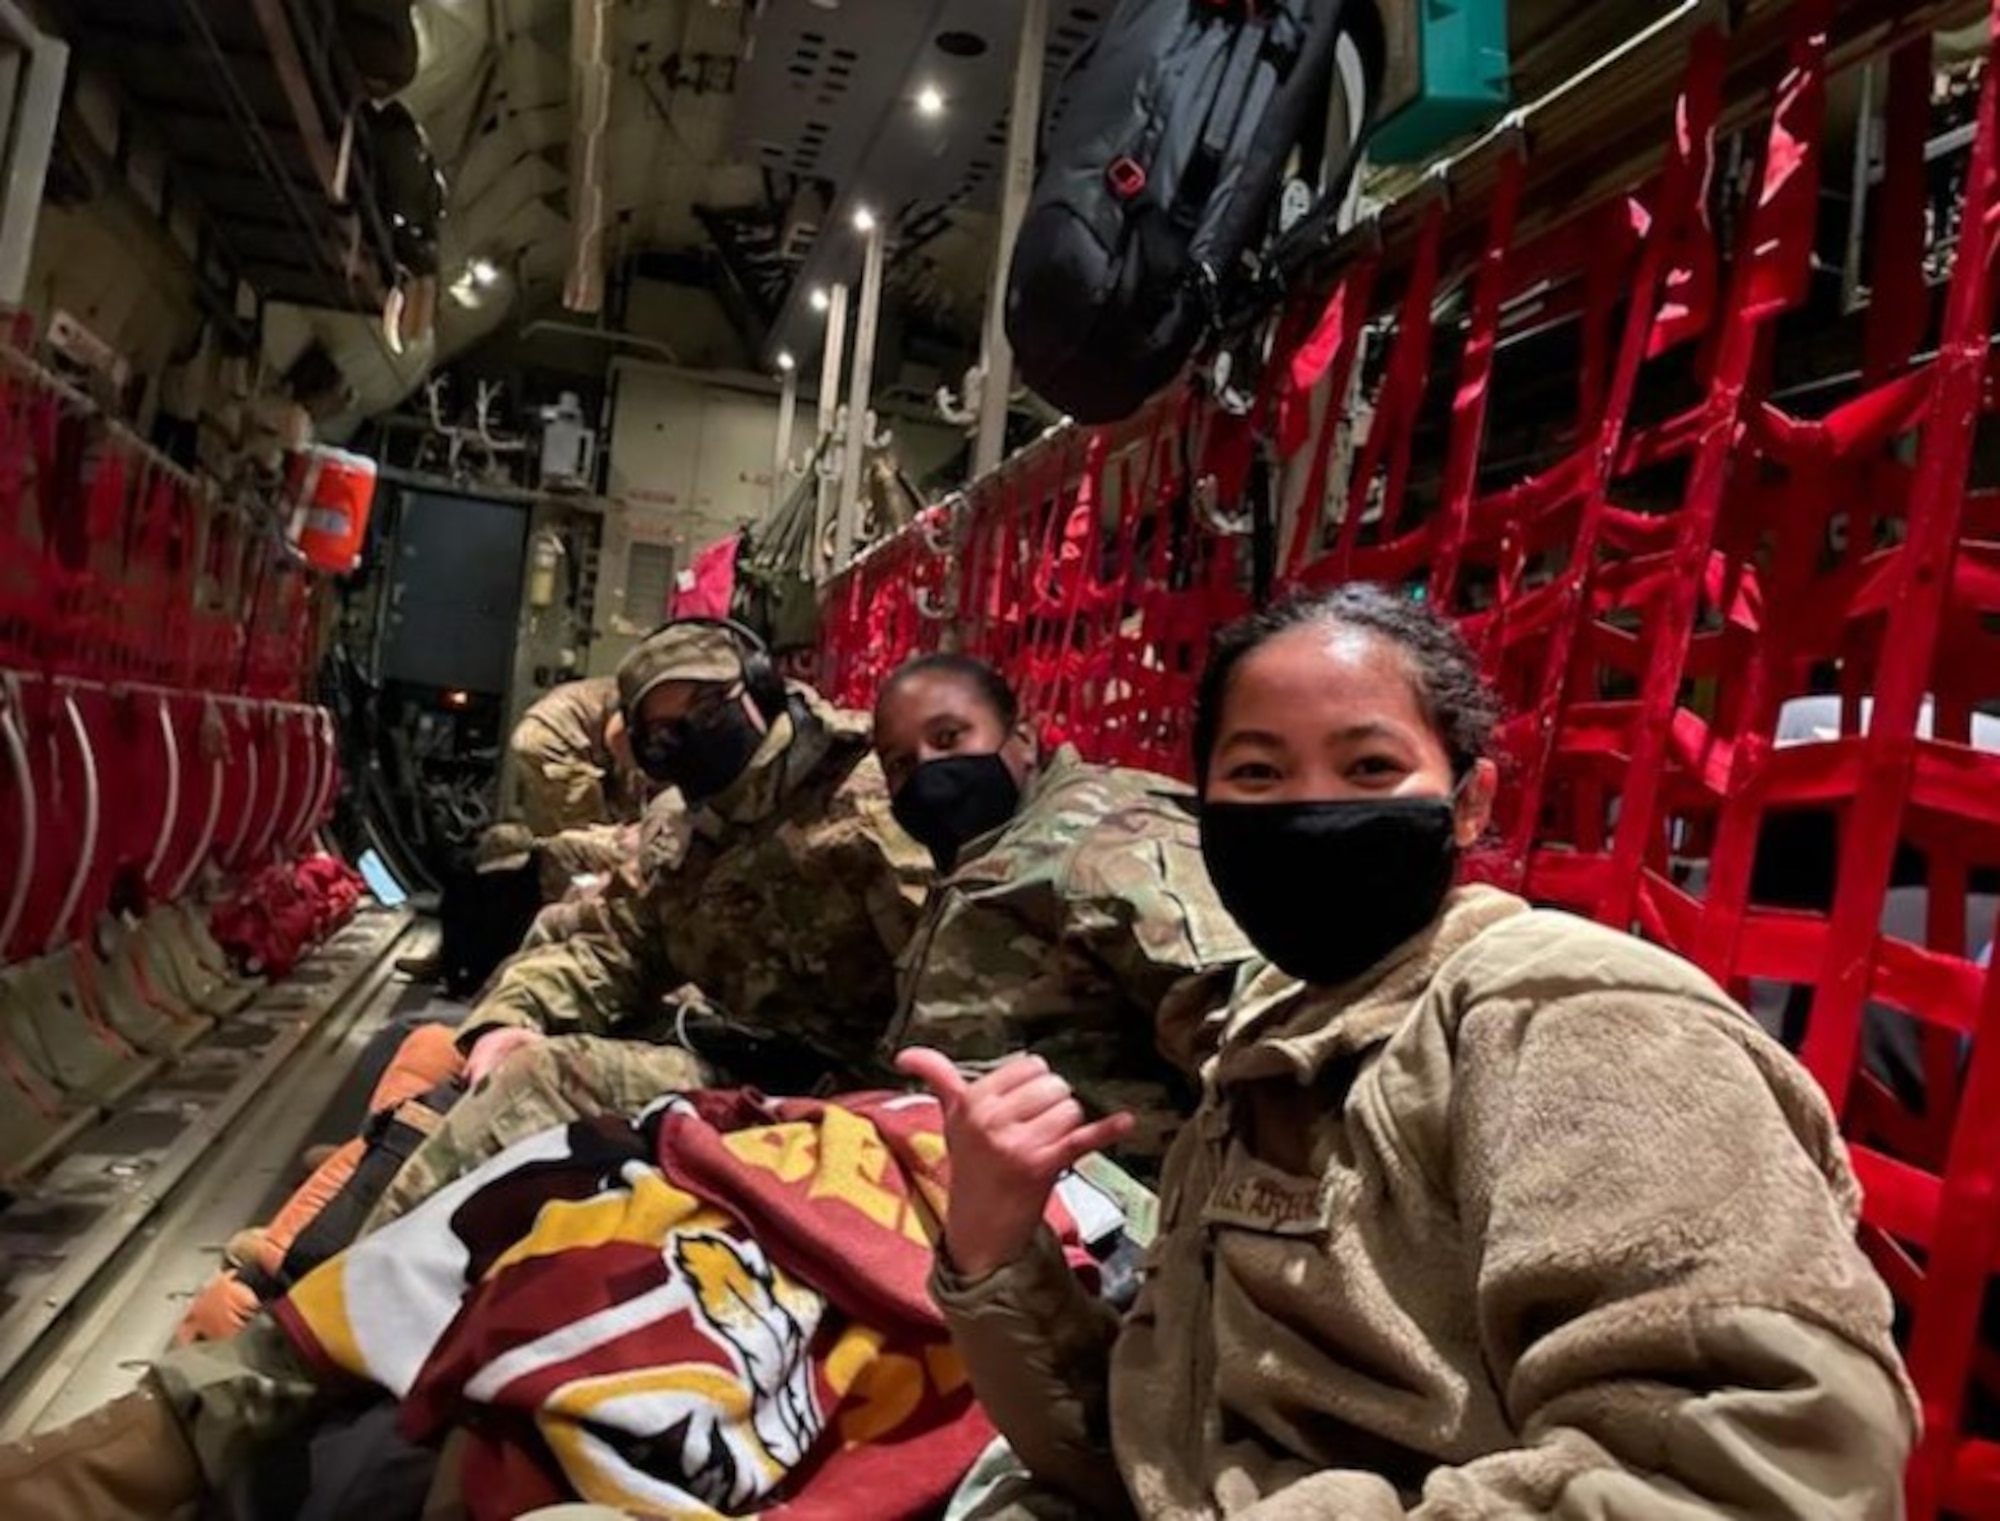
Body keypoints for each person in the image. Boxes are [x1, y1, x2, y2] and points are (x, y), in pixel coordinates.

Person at [902, 584, 1916, 1519]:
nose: (1309, 807)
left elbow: (1765, 1470)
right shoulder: (1273, 1040)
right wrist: (994, 1254)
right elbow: (1153, 1459)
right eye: (1256, 773)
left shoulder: (1570, 1021)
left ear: (1466, 804)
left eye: (1368, 768)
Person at [360, 617, 930, 1221]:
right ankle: (351, 1210)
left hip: (850, 1099)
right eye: (664, 730)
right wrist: (511, 1016)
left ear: (760, 689)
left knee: (536, 1080)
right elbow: (613, 947)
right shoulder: (680, 827)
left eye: (710, 705)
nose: (693, 734)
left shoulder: (875, 799)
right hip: (745, 1056)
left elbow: (947, 989)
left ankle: (329, 1280)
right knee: (464, 1050)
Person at [874, 652, 1250, 1169]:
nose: (927, 772)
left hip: (1108, 1199)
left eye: (948, 738)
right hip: (991, 1180)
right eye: (901, 764)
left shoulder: (1103, 840)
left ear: (1023, 740)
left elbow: (1246, 1034)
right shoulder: (993, 849)